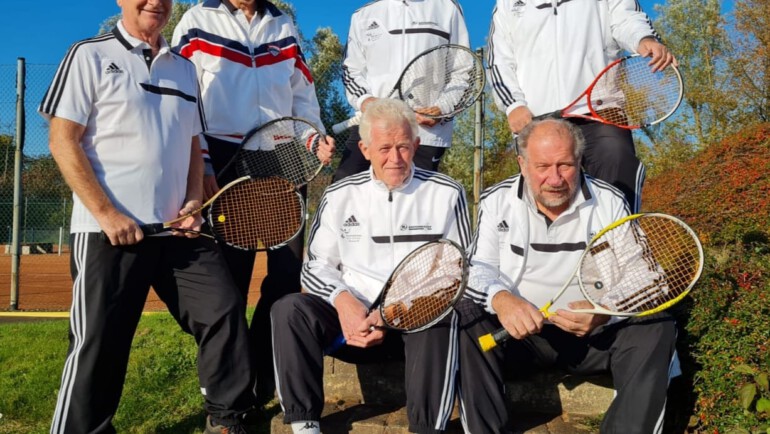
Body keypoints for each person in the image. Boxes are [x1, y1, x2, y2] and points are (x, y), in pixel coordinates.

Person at [39, 1, 254, 433]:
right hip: (110, 232)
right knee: (99, 342)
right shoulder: (89, 55)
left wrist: (194, 201)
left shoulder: (185, 68)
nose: (155, 1)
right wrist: (106, 213)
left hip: (177, 232)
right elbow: (63, 141)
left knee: (223, 311)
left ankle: (228, 419)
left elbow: (194, 143)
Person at [456, 119, 678, 433]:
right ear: (522, 164)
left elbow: (647, 279)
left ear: (580, 161)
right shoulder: (497, 200)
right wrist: (502, 300)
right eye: (542, 166)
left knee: (657, 326)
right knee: (465, 314)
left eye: (565, 165)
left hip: (592, 340)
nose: (554, 179)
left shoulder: (610, 200)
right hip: (518, 339)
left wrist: (604, 311)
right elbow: (476, 269)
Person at [271, 99, 472, 434]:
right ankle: (304, 424)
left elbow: (458, 269)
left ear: (417, 145)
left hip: (415, 322)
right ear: (364, 149)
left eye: (404, 147)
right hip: (352, 326)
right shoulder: (339, 195)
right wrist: (344, 303)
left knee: (444, 316)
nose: (395, 158)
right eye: (384, 148)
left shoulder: (447, 193)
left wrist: (397, 310)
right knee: (289, 309)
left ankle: (427, 428)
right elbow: (316, 266)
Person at [171, 0, 335, 405]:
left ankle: (267, 375)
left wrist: (313, 138)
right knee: (230, 284)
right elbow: (182, 101)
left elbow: (303, 95)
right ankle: (232, 396)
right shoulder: (195, 21)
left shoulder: (283, 26)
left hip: (281, 156)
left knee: (285, 276)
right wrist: (203, 163)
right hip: (223, 158)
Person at [487, 0, 677, 213]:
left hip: (601, 109)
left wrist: (644, 38)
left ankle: (622, 241)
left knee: (618, 167)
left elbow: (627, 18)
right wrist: (513, 105)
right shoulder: (507, 4)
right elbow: (499, 61)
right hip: (537, 120)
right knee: (549, 197)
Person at [333, 0, 471, 182]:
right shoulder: (363, 15)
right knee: (344, 194)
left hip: (425, 134)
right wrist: (366, 101)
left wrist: (442, 109)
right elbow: (351, 70)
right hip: (372, 127)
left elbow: (464, 71)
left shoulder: (448, 8)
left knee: (414, 205)